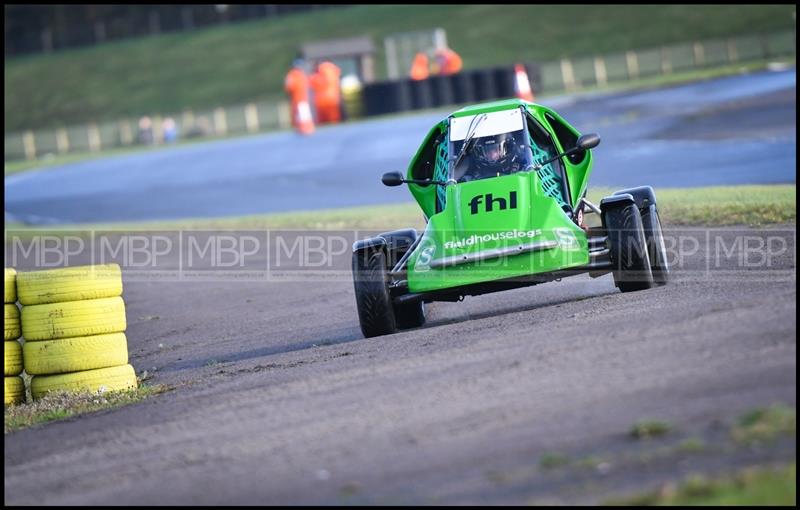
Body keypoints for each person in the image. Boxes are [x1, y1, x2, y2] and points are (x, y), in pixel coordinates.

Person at [284, 57, 314, 133]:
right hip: (298, 99)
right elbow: (289, 87)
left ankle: (306, 129)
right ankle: (304, 129)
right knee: (302, 116)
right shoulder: (292, 75)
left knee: (304, 115)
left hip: (303, 98)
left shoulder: (301, 74)